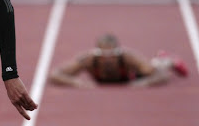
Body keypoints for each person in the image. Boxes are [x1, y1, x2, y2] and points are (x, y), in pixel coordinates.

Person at [49, 33, 188, 88]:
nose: (108, 59)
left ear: (118, 53)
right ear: (97, 54)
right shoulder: (89, 60)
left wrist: (144, 83)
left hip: (132, 76)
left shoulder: (128, 58)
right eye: (104, 55)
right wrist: (76, 82)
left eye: (112, 55)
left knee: (151, 68)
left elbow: (161, 75)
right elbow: (55, 74)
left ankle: (167, 61)